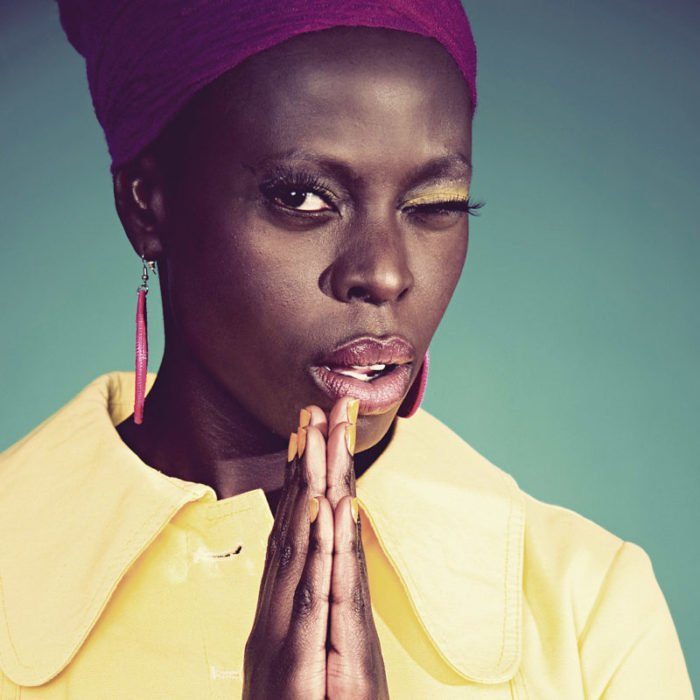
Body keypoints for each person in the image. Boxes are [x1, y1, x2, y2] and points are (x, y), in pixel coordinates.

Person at [0, 1, 693, 698]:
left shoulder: (588, 611)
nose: (385, 273)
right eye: (303, 198)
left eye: (436, 204)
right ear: (147, 205)